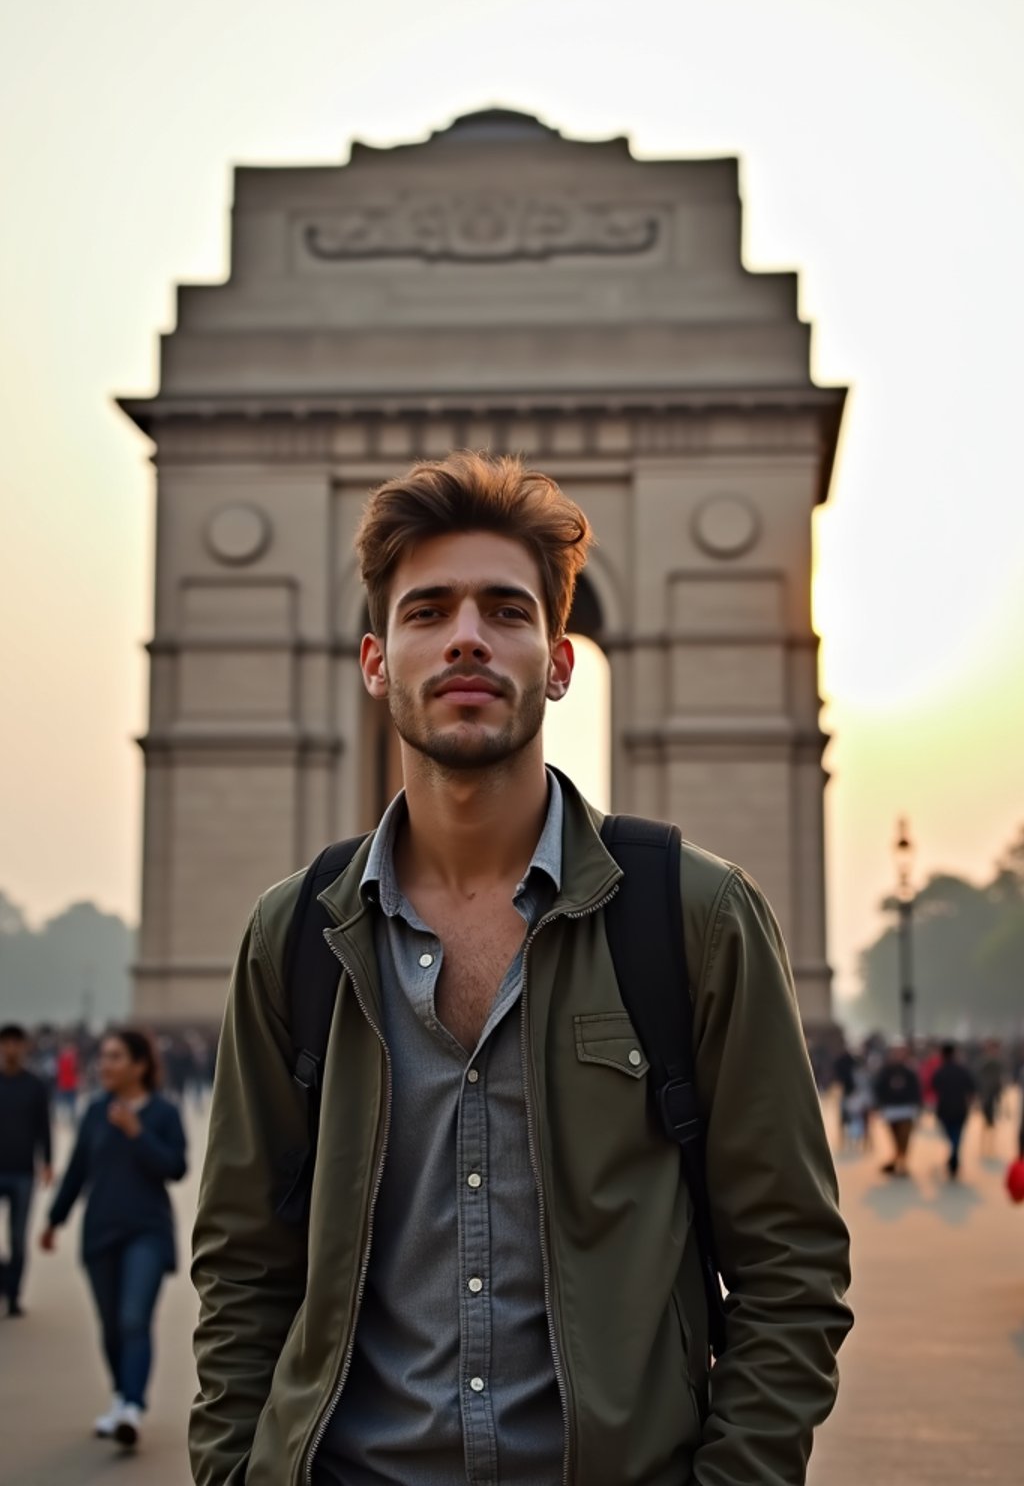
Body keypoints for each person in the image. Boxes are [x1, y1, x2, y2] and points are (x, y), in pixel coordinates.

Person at [190, 452, 853, 1486]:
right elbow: (242, 1269)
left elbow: (791, 1266)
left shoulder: (695, 920)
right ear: (375, 659)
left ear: (557, 660)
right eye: (428, 611)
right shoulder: (291, 938)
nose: (465, 636)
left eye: (505, 609)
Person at [41, 1028, 187, 1449]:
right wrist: (54, 1221)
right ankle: (120, 1397)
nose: (104, 1064)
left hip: (148, 1232)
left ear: (140, 1065)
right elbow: (77, 1173)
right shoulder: (94, 1111)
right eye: (103, 1056)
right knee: (110, 1327)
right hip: (100, 1232)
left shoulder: (163, 1113)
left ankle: (133, 1408)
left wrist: (136, 1132)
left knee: (132, 1319)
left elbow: (175, 1167)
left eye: (115, 1057)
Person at [0, 1022, 53, 1316]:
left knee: (18, 1239)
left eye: (15, 1043)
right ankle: (4, 1281)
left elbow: (43, 1127)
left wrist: (48, 1162)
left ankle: (14, 1295)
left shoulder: (35, 1085)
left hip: (23, 1171)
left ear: (23, 1047)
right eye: (5, 1043)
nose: (10, 1048)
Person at [873, 1040, 922, 1177]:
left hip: (906, 1109)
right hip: (891, 1109)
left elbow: (916, 1090)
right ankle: (897, 1159)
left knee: (904, 1137)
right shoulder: (886, 1071)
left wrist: (917, 1105)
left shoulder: (910, 1071)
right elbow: (879, 1088)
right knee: (895, 1137)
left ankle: (901, 1162)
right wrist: (880, 1104)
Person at [931, 1041, 976, 1179]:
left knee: (951, 1134)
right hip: (960, 1108)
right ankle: (954, 1156)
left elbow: (934, 1087)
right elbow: (971, 1088)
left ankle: (954, 1156)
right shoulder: (963, 1070)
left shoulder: (940, 1071)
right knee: (957, 1135)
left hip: (944, 1109)